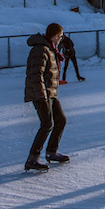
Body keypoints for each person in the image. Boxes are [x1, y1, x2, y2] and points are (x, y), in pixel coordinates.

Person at [24, 23, 69, 170]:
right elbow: (36, 75)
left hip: (50, 93)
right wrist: (42, 96)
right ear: (55, 36)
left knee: (60, 120)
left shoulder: (50, 49)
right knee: (47, 124)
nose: (61, 40)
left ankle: (51, 152)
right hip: (41, 94)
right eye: (60, 37)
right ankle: (32, 159)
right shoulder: (41, 50)